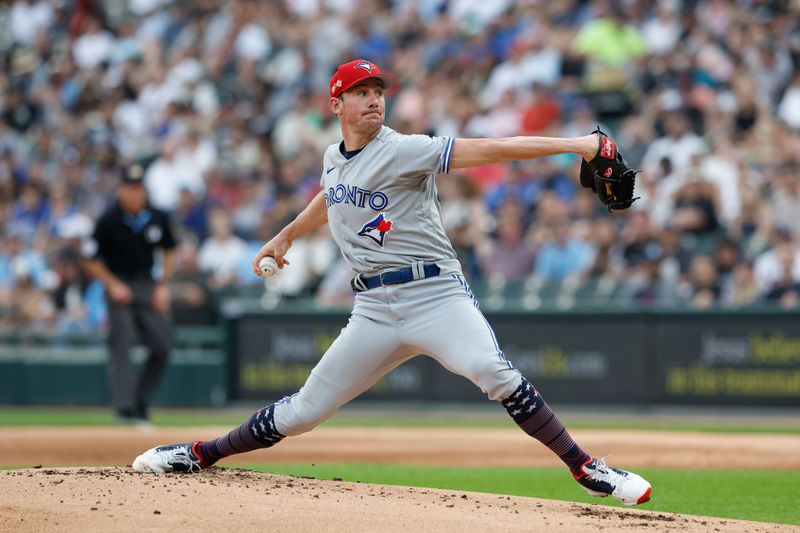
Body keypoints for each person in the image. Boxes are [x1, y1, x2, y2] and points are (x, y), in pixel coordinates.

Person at [132, 59, 652, 506]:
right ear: (337, 103)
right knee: (303, 411)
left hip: (434, 295)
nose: (374, 101)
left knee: (494, 372)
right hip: (374, 309)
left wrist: (579, 145)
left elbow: (493, 148)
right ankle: (199, 454)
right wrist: (286, 234)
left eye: (378, 92)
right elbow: (332, 196)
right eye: (361, 93)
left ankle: (587, 469)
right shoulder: (334, 158)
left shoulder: (404, 149)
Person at [82, 164, 177, 423]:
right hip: (119, 287)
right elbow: (90, 258)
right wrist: (112, 284)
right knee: (121, 344)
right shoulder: (109, 220)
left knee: (163, 346)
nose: (135, 194)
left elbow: (168, 249)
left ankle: (138, 400)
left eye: (139, 188)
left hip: (148, 286)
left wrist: (164, 284)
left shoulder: (157, 216)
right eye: (129, 188)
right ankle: (124, 408)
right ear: (120, 189)